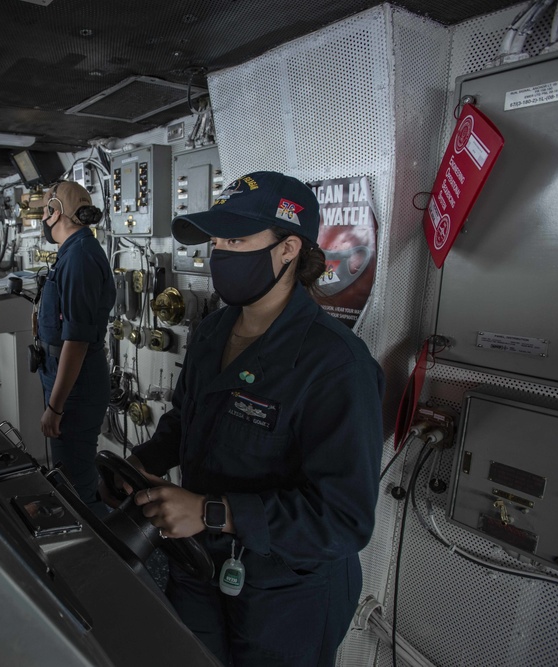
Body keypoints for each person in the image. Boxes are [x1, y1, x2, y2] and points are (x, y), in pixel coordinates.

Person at [102, 171, 384, 666]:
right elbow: (185, 423)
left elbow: (343, 520)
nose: (220, 255)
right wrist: (142, 464)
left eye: (236, 239)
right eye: (216, 241)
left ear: (288, 248)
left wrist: (212, 511)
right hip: (200, 565)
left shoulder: (337, 365)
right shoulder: (213, 331)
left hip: (286, 592)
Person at [33, 181, 116, 514]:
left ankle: (98, 558)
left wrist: (55, 407)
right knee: (69, 472)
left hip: (74, 385)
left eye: (44, 211)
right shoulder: (74, 251)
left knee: (76, 482)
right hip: (65, 377)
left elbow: (77, 341)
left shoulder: (80, 257)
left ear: (55, 212)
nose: (42, 217)